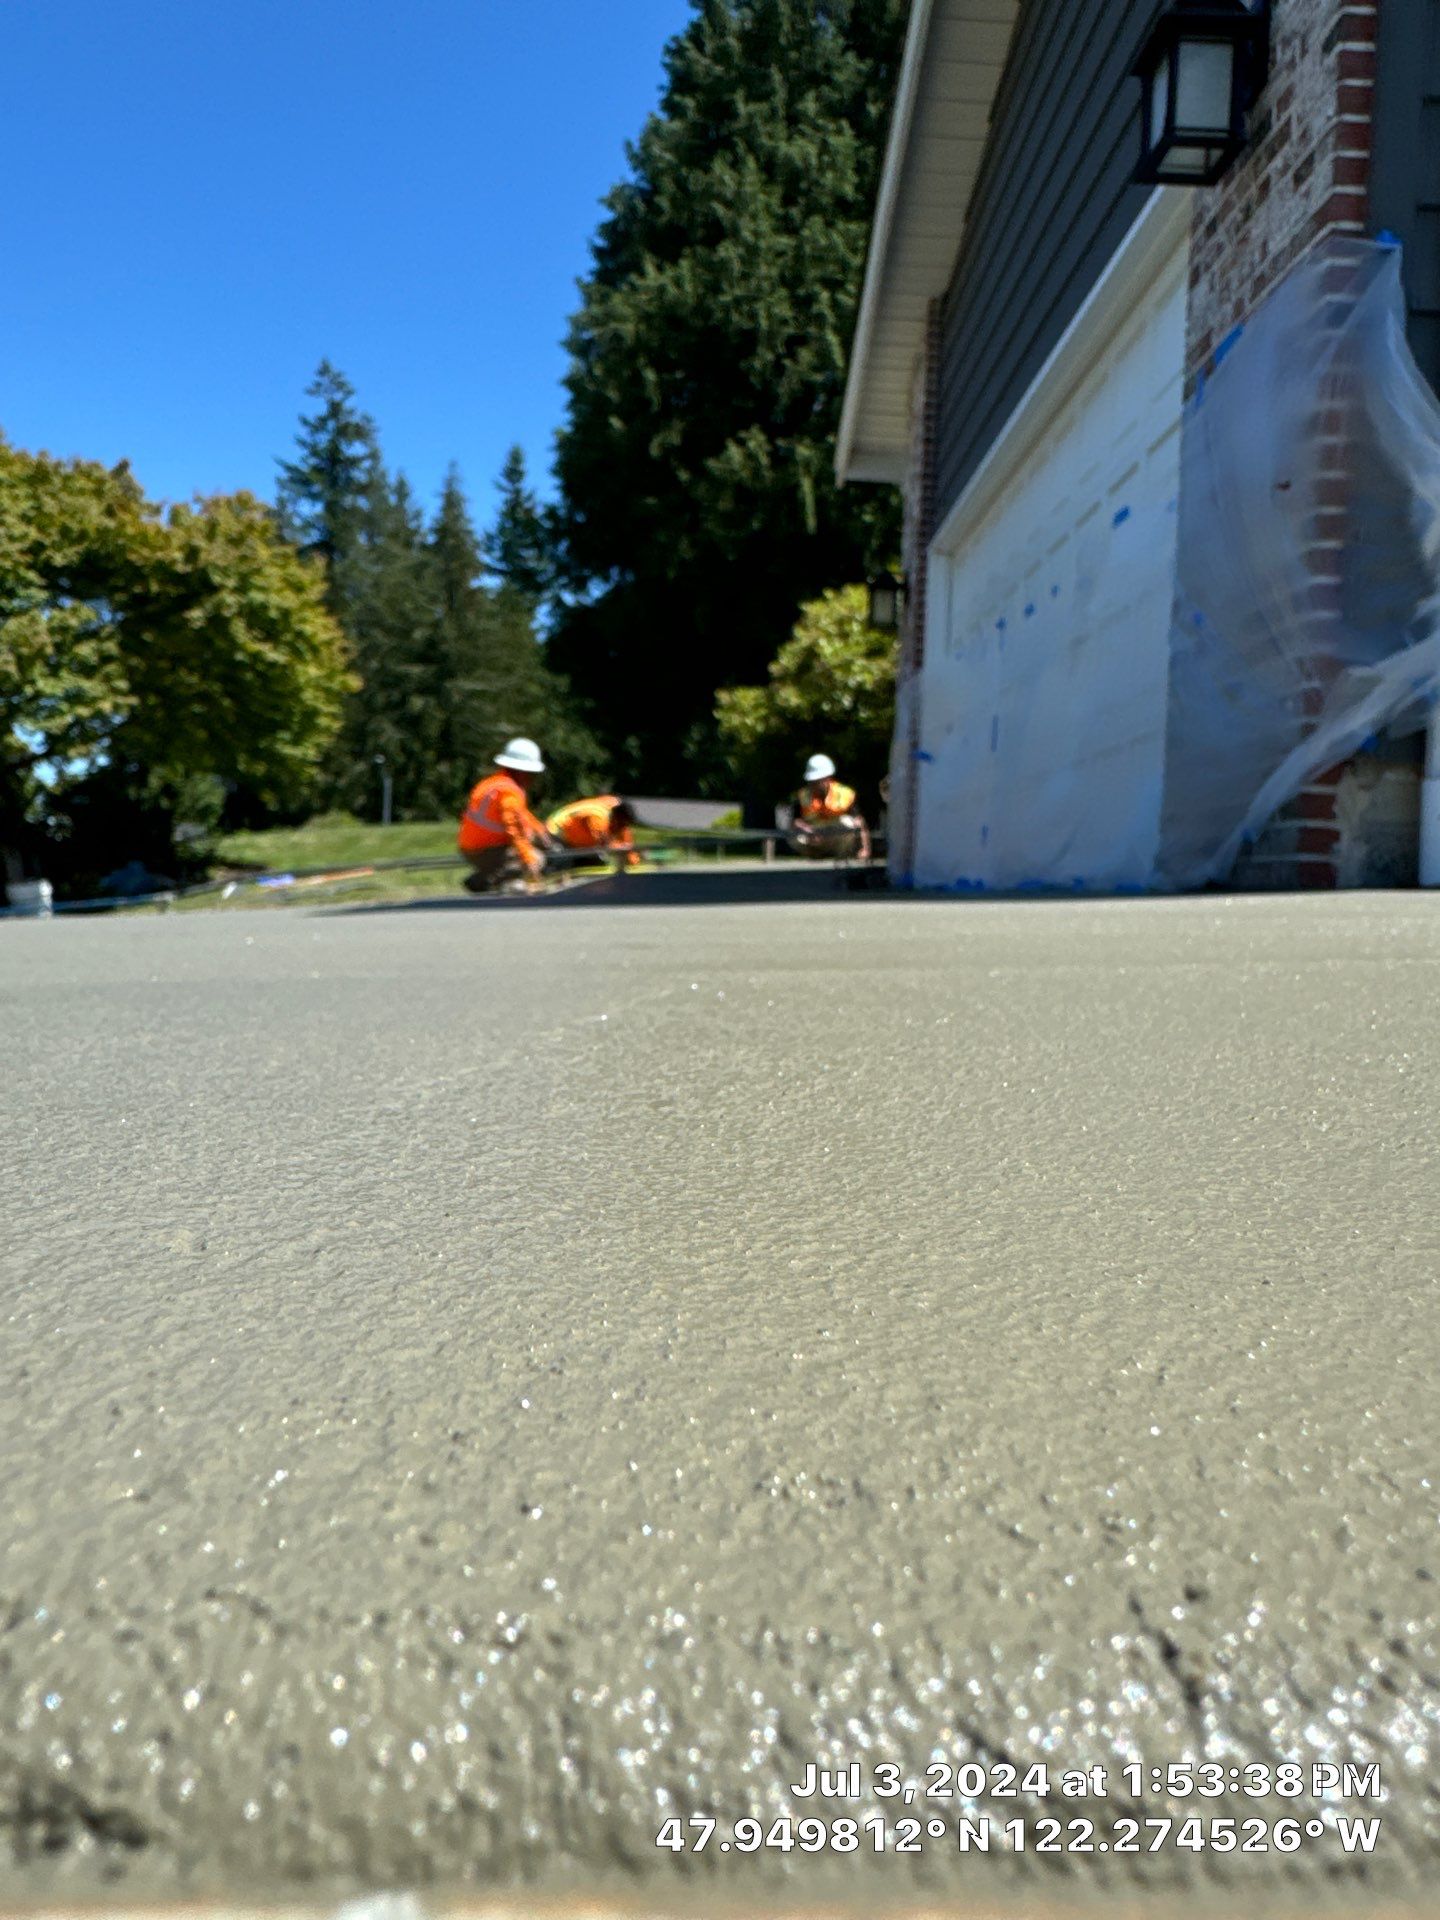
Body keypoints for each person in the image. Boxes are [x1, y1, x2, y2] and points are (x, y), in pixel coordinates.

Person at [457, 739, 550, 893]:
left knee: (532, 838)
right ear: (522, 772)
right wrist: (528, 858)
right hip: (485, 849)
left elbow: (521, 814)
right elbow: (513, 828)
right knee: (538, 858)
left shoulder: (494, 784)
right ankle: (486, 882)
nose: (532, 779)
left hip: (472, 846)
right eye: (531, 774)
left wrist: (538, 829)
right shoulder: (510, 793)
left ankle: (487, 878)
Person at [789, 753, 871, 862]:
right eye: (811, 781)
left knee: (848, 822)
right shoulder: (802, 796)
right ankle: (815, 855)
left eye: (817, 780)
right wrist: (807, 830)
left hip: (835, 838)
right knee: (794, 836)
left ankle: (842, 857)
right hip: (813, 836)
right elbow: (795, 821)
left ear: (827, 778)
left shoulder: (845, 794)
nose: (813, 784)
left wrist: (865, 849)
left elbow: (859, 822)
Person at [546, 795, 642, 871]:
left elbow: (626, 840)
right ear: (615, 819)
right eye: (621, 825)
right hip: (556, 833)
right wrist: (621, 848)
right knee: (565, 864)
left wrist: (633, 858)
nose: (622, 829)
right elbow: (605, 843)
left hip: (578, 839)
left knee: (598, 867)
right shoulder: (598, 816)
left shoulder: (615, 813)